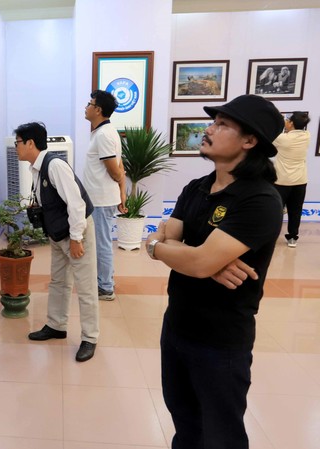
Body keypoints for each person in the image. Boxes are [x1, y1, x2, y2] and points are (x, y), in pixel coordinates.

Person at [144, 94, 284, 448]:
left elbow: (193, 258)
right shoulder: (197, 187)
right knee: (185, 423)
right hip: (176, 326)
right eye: (214, 121)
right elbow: (168, 236)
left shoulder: (260, 199)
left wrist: (195, 259)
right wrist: (194, 257)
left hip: (220, 341)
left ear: (250, 141)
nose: (209, 129)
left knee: (221, 435)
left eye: (222, 125)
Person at [16, 122, 99, 362]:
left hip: (76, 232)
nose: (16, 148)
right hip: (57, 233)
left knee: (85, 287)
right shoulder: (37, 169)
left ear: (30, 143)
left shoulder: (54, 166)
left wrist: (76, 239)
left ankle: (90, 338)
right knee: (59, 282)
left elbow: (76, 205)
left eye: (18, 143)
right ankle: (56, 325)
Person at [82, 90, 127, 301]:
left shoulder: (104, 134)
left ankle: (106, 287)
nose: (86, 107)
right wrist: (122, 193)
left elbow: (116, 170)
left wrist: (121, 190)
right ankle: (105, 280)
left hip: (101, 200)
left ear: (98, 110)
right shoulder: (103, 132)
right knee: (101, 242)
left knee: (102, 243)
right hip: (98, 199)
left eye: (89, 104)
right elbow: (120, 166)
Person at [273, 111, 311, 247]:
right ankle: (293, 238)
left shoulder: (283, 138)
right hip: (300, 181)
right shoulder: (307, 136)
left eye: (288, 120)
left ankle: (271, 237)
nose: (286, 122)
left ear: (292, 123)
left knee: (277, 211)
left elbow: (271, 138)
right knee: (296, 211)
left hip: (282, 181)